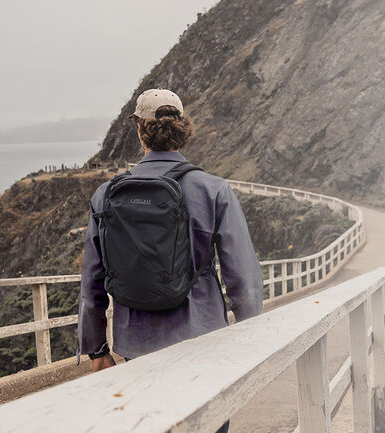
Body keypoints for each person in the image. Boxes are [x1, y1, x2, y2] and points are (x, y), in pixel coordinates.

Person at [77, 89, 263, 432]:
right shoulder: (213, 189)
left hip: (136, 346)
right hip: (204, 341)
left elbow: (92, 281)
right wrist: (251, 338)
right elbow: (244, 278)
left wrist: (96, 348)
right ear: (183, 127)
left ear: (138, 129)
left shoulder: (107, 194)